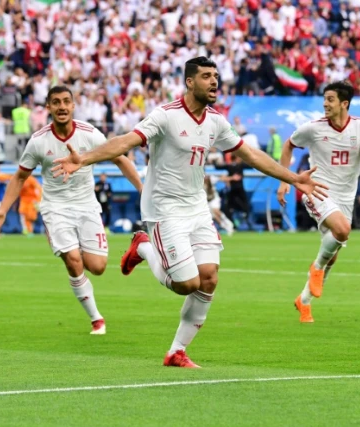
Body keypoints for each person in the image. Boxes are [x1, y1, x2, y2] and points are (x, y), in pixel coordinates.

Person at [51, 57, 326, 366]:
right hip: (163, 209)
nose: (214, 82)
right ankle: (143, 246)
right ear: (189, 82)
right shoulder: (165, 116)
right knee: (186, 284)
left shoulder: (215, 121)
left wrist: (293, 178)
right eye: (206, 76)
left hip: (196, 207)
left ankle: (176, 352)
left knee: (208, 278)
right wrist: (84, 158)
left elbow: (250, 154)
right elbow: (125, 141)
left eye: (216, 76)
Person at [0, 85, 143, 335]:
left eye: (66, 102)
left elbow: (120, 158)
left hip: (87, 205)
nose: (61, 107)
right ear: (48, 107)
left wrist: (142, 190)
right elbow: (19, 177)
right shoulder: (38, 141)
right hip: (55, 208)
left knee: (98, 266)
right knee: (72, 260)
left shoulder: (89, 133)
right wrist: (3, 210)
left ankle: (88, 247)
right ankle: (96, 319)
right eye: (56, 102)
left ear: (73, 105)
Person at [277, 81, 360, 323]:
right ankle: (316, 267)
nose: (325, 103)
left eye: (331, 99)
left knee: (333, 253)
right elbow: (288, 145)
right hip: (318, 191)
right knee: (342, 230)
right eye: (325, 99)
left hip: (346, 198)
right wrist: (284, 181)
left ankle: (303, 301)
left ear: (344, 103)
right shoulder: (313, 128)